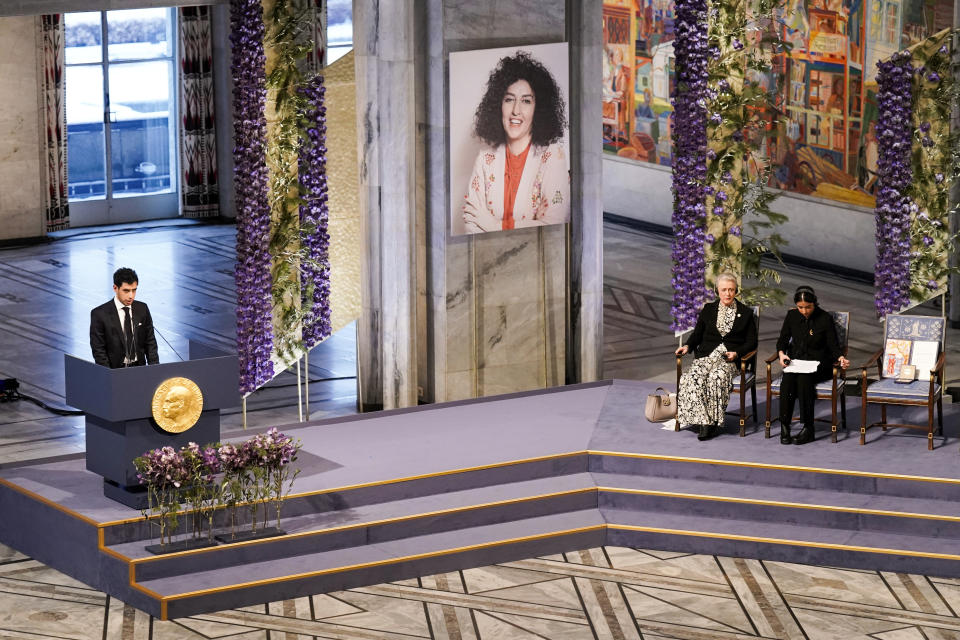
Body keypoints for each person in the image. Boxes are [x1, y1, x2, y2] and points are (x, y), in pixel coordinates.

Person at [462, 51, 570, 234]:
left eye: (526, 101)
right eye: (509, 99)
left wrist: (498, 226)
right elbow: (470, 222)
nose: (516, 111)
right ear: (498, 105)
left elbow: (554, 224)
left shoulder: (553, 156)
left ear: (539, 108)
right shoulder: (484, 159)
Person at [675, 273, 758, 440]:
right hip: (706, 356)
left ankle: (711, 423)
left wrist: (737, 353)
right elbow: (697, 334)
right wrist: (688, 346)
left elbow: (751, 342)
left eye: (731, 290)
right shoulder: (708, 309)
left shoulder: (745, 313)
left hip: (728, 360)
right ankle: (703, 420)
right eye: (724, 290)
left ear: (736, 291)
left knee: (716, 377)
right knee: (691, 378)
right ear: (717, 291)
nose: (728, 294)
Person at [775, 286, 849, 445]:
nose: (804, 311)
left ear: (814, 304)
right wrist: (782, 355)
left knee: (804, 380)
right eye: (800, 307)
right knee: (787, 380)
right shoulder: (792, 315)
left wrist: (841, 357)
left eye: (808, 307)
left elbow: (833, 345)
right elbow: (782, 340)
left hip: (820, 364)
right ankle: (785, 425)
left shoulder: (824, 318)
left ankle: (808, 428)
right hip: (796, 362)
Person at [90, 267, 159, 368]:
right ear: (115, 288)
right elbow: (99, 350)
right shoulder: (99, 314)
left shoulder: (142, 308)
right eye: (126, 291)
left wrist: (155, 369)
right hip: (115, 371)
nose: (131, 296)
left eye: (134, 290)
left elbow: (150, 342)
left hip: (140, 368)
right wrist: (109, 375)